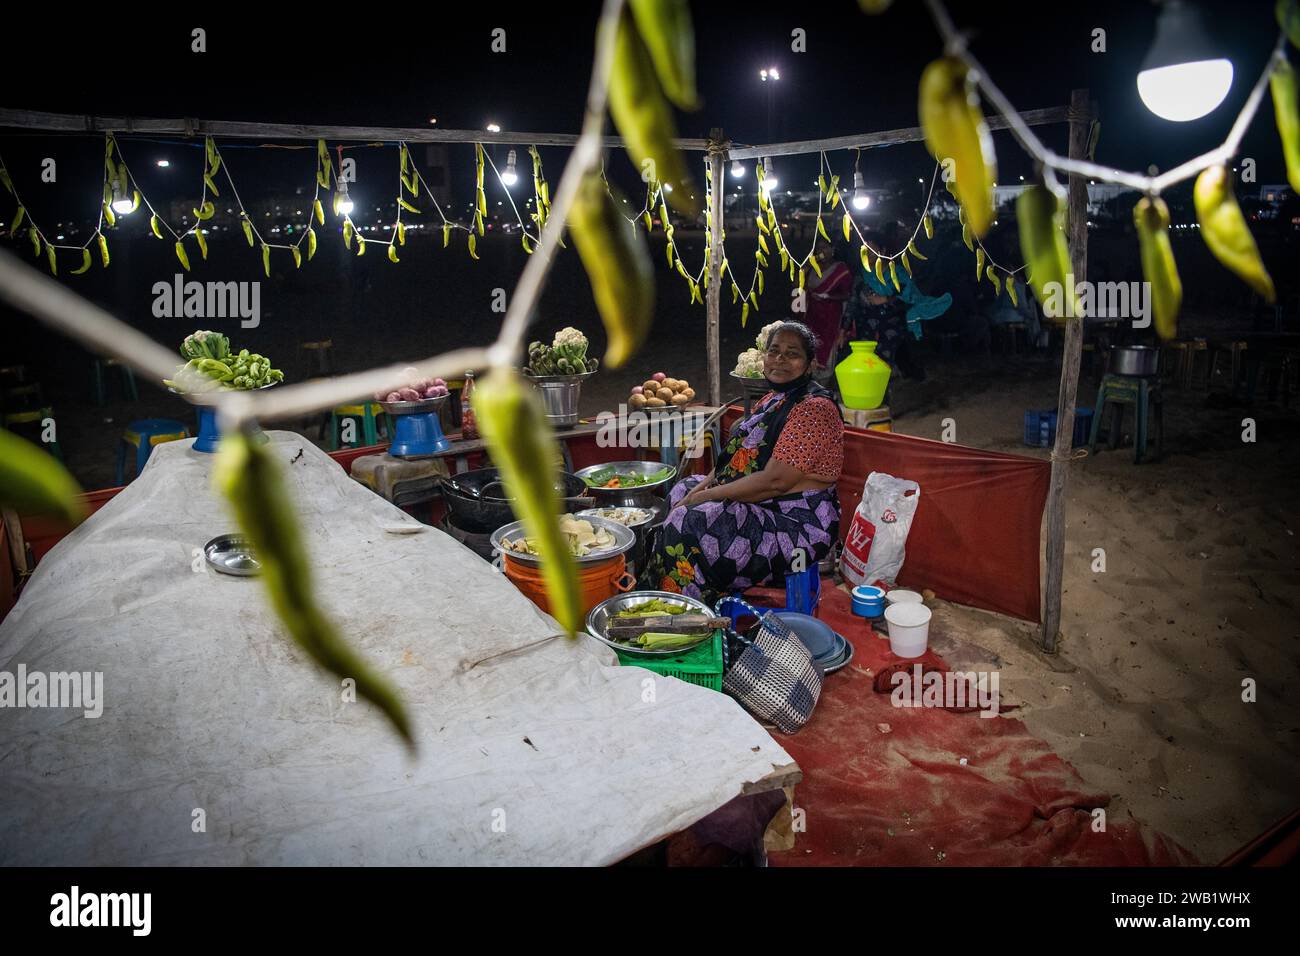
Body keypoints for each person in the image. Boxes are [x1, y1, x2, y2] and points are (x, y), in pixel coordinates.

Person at [637, 321, 843, 605]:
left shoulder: (814, 410)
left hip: (798, 527)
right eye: (774, 351)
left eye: (792, 353)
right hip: (765, 506)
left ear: (809, 364)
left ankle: (684, 612)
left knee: (691, 520)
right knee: (682, 489)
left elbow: (775, 481)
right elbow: (732, 461)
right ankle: (670, 594)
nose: (780, 359)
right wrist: (698, 491)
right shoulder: (775, 399)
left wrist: (705, 496)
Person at [804, 244, 853, 375]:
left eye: (825, 247)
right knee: (811, 344)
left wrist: (827, 296)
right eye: (819, 248)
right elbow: (799, 287)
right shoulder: (813, 267)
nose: (821, 251)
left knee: (827, 348)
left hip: (831, 316)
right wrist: (805, 268)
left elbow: (848, 294)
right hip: (812, 315)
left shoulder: (841, 269)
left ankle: (826, 380)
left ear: (833, 250)